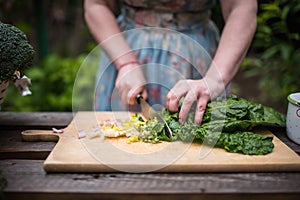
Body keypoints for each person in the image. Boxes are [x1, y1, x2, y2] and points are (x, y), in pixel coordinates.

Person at [84, 0, 257, 125]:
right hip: (122, 49)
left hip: (198, 58)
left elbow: (242, 6)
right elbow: (96, 4)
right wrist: (125, 63)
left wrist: (214, 79)